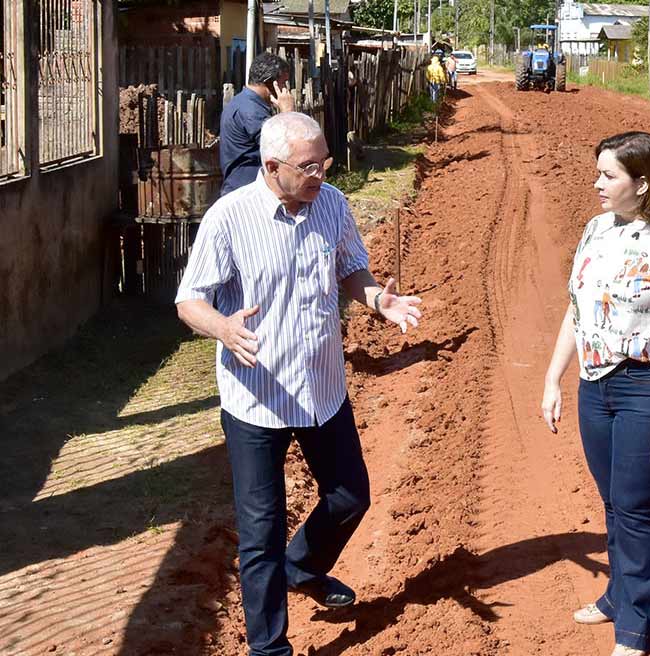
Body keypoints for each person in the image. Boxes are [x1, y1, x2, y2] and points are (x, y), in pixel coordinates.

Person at [175, 112, 423, 656]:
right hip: (256, 399)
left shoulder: (331, 203)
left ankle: (303, 566)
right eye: (309, 167)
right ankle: (270, 648)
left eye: (324, 162)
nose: (320, 174)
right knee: (259, 532)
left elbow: (351, 269)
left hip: (322, 388)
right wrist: (222, 327)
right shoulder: (229, 218)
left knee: (350, 497)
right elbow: (189, 299)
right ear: (271, 167)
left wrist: (380, 299)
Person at [540, 132, 650, 656]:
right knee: (613, 500)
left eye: (608, 175)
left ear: (642, 182)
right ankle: (620, 593)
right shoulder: (597, 230)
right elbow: (576, 308)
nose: (597, 184)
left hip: (648, 388)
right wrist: (552, 378)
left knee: (635, 506)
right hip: (595, 383)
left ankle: (637, 625)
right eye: (598, 173)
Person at [219, 52, 295, 196]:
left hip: (244, 189)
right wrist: (288, 113)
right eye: (283, 82)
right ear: (270, 82)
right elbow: (281, 147)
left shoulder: (244, 103)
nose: (285, 88)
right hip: (246, 193)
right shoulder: (251, 111)